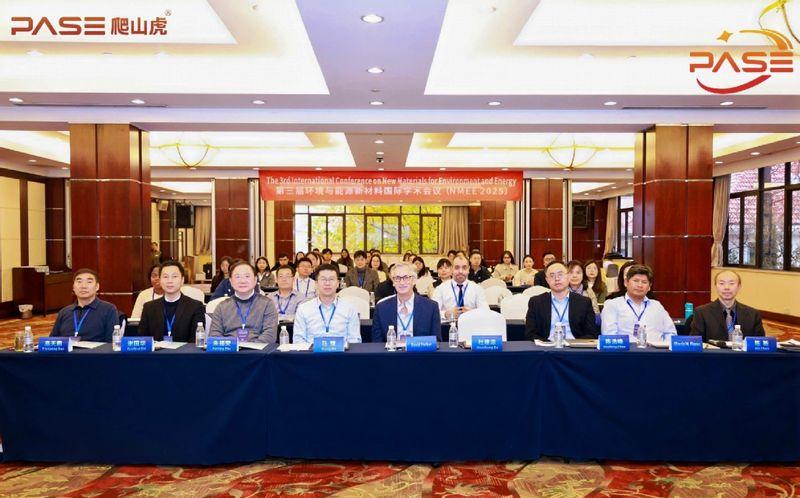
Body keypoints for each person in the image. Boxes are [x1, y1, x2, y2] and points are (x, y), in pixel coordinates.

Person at [525, 261, 599, 341]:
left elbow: (591, 334)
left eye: (560, 274)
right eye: (552, 276)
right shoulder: (536, 302)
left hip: (574, 346)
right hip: (546, 346)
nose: (557, 279)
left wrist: (573, 344)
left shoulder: (584, 302)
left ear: (568, 277)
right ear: (547, 280)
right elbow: (530, 333)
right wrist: (548, 344)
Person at [601, 264, 676, 340]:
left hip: (655, 347)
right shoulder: (612, 305)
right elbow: (609, 336)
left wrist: (663, 346)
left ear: (649, 287)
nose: (640, 285)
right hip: (625, 347)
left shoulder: (657, 306)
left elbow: (671, 333)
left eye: (644, 282)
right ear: (626, 282)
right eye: (636, 281)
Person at [209, 261, 278, 343]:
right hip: (229, 349)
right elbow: (214, 335)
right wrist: (233, 347)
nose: (242, 281)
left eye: (247, 276)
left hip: (258, 350)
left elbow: (269, 336)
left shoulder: (267, 304)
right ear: (230, 281)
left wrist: (250, 348)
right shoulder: (222, 306)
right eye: (237, 277)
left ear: (255, 279)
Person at [372, 262, 442, 342]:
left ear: (414, 280)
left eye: (406, 278)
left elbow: (436, 341)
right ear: (393, 282)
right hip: (391, 350)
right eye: (397, 278)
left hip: (420, 349)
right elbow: (376, 343)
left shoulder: (431, 307)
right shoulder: (381, 308)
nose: (401, 282)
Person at [293, 264, 362, 344]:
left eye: (331, 279)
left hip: (342, 351)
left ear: (338, 283)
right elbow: (298, 340)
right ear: (316, 283)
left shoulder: (349, 308)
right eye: (323, 279)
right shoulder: (303, 309)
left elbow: (355, 340)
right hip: (312, 351)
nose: (327, 283)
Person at [138, 261, 205, 342]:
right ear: (160, 280)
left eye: (174, 276)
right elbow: (143, 340)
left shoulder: (195, 307)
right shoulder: (149, 308)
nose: (170, 281)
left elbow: (196, 341)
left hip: (185, 350)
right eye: (165, 277)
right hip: (156, 350)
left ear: (182, 280)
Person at [690, 269, 765, 342]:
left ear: (739, 287)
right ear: (715, 286)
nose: (726, 288)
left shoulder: (753, 314)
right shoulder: (702, 313)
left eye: (731, 283)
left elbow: (760, 344)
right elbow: (695, 343)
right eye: (721, 283)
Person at [50, 269, 119, 342]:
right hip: (67, 349)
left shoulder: (108, 309)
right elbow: (51, 341)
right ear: (73, 287)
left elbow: (111, 342)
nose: (83, 286)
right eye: (79, 282)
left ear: (97, 287)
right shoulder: (64, 312)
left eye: (89, 282)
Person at [432, 255, 489, 320]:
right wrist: (445, 314)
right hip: (447, 325)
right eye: (457, 267)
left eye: (464, 268)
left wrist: (472, 313)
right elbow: (432, 312)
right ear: (452, 269)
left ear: (468, 269)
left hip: (471, 324)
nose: (460, 271)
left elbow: (486, 312)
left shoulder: (477, 289)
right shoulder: (440, 289)